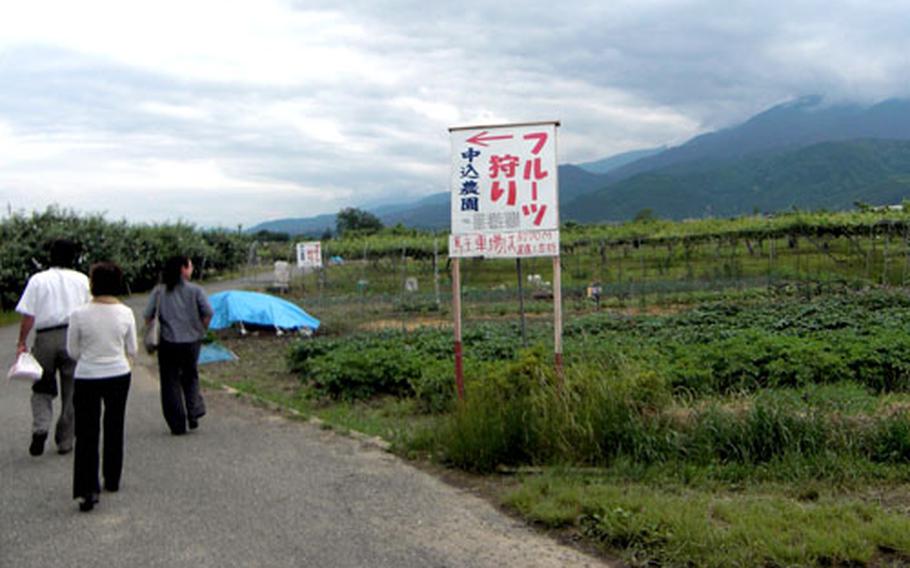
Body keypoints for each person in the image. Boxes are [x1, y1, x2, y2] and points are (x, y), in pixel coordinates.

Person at [67, 262, 137, 512]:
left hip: (87, 375)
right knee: (114, 425)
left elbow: (72, 350)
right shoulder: (126, 313)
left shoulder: (78, 314)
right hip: (118, 373)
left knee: (86, 432)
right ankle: (113, 478)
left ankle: (87, 490)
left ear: (92, 283)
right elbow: (132, 350)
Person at [15, 239, 91, 456]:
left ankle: (40, 427)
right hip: (73, 335)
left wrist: (22, 341)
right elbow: (89, 309)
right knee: (73, 390)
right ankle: (66, 439)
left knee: (42, 385)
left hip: (46, 337)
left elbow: (28, 315)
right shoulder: (82, 280)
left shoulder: (38, 280)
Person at [144, 255, 213, 435]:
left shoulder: (159, 291)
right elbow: (207, 312)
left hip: (168, 342)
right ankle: (194, 412)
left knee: (170, 381)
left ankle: (177, 423)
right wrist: (200, 328)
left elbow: (147, 315)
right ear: (183, 269)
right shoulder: (196, 290)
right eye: (190, 266)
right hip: (192, 342)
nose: (192, 269)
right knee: (190, 376)